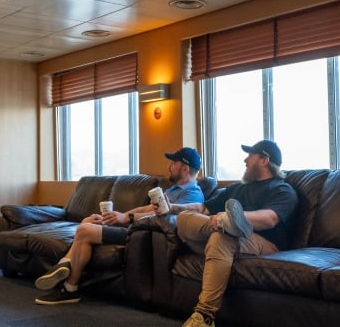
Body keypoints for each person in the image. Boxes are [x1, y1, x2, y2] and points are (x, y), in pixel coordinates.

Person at [34, 147, 205, 305]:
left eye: (174, 163)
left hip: (139, 235)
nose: (169, 167)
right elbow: (147, 208)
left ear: (185, 168)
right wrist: (115, 218)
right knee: (88, 222)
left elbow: (164, 217)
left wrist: (126, 218)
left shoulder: (192, 194)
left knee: (85, 230)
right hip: (132, 227)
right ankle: (64, 265)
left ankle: (69, 287)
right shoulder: (173, 190)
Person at [171, 140, 298, 327]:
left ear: (264, 160)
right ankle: (228, 224)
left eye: (250, 155)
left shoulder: (282, 189)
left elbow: (269, 219)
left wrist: (232, 218)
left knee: (222, 236)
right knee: (184, 219)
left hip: (265, 244)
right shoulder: (237, 188)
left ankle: (204, 316)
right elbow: (202, 208)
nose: (245, 160)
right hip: (227, 236)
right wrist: (173, 207)